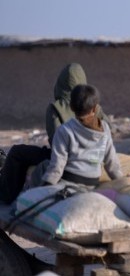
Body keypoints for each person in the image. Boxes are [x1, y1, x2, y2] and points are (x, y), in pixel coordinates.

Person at [0, 63, 110, 204]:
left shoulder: (56, 108)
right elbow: (108, 131)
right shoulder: (94, 107)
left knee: (17, 152)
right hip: (93, 158)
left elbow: (57, 144)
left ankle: (6, 195)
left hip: (66, 160)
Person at [42, 84, 123, 186]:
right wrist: (121, 179)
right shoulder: (105, 128)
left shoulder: (64, 130)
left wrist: (46, 186)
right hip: (93, 180)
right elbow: (111, 161)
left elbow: (57, 165)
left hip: (70, 178)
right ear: (94, 109)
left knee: (41, 168)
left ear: (71, 107)